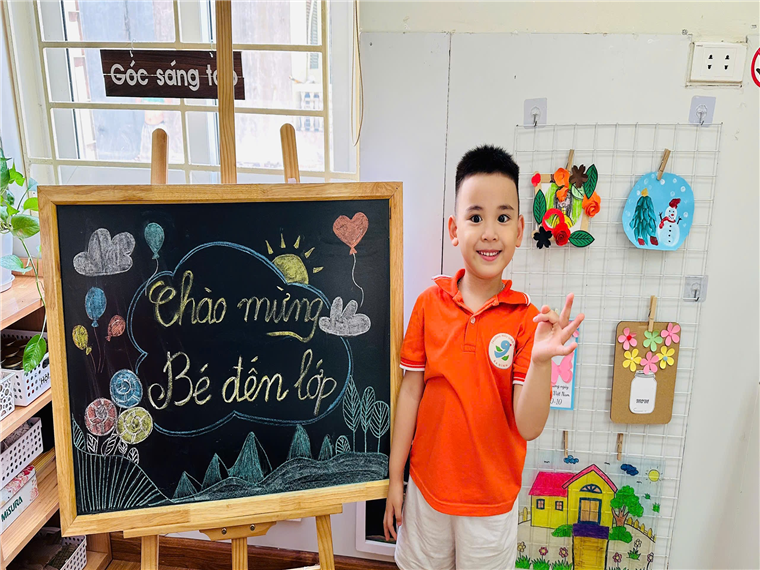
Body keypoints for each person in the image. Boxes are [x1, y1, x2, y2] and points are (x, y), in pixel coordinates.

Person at [383, 145, 584, 570]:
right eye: (475, 218)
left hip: (492, 505)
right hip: (426, 493)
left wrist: (542, 363)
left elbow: (529, 426)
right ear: (454, 229)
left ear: (520, 230)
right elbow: (410, 394)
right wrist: (395, 478)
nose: (490, 232)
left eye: (503, 218)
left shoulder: (528, 320)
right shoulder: (428, 304)